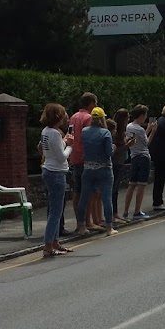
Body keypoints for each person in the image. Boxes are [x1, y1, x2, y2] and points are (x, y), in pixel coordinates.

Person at [39, 103, 74, 257]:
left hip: (49, 169)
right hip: (56, 173)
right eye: (64, 113)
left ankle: (54, 242)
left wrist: (65, 141)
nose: (66, 116)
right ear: (58, 116)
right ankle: (48, 246)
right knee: (56, 212)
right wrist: (70, 146)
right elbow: (61, 157)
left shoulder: (46, 132)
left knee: (55, 210)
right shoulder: (54, 133)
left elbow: (50, 150)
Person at [77, 107, 116, 236]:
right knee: (106, 198)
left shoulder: (84, 131)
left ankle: (82, 226)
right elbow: (109, 152)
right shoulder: (105, 133)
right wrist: (114, 147)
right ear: (102, 118)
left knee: (84, 198)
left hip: (88, 168)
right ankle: (109, 228)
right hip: (104, 169)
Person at [69, 93, 99, 235]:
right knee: (89, 191)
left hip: (74, 156)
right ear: (91, 103)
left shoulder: (73, 117)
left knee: (78, 191)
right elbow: (90, 138)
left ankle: (79, 222)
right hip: (86, 158)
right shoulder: (88, 118)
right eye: (95, 103)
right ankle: (87, 222)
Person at [122, 105, 151, 220]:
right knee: (142, 185)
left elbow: (138, 139)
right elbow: (146, 142)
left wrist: (147, 129)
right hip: (143, 156)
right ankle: (137, 211)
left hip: (134, 156)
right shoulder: (140, 129)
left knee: (132, 184)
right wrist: (152, 131)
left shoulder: (129, 127)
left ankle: (125, 211)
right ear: (142, 115)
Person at [110, 108, 131, 225]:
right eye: (127, 118)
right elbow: (115, 150)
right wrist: (127, 145)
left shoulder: (122, 131)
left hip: (121, 162)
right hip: (116, 162)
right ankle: (113, 214)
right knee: (113, 190)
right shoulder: (115, 132)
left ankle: (115, 213)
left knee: (116, 190)